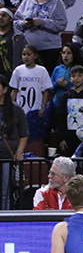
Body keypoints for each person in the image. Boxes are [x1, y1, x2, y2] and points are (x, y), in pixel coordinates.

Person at [13, 0, 68, 74]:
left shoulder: (56, 2)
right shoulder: (27, 1)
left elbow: (62, 24)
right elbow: (15, 21)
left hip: (49, 49)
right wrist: (24, 24)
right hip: (29, 48)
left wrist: (43, 22)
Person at [9, 45, 52, 148]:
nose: (26, 57)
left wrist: (42, 108)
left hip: (35, 109)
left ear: (35, 56)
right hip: (20, 108)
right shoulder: (18, 70)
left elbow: (45, 91)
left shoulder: (41, 70)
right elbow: (14, 90)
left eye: (29, 54)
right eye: (24, 54)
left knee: (34, 136)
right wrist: (9, 105)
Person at [0, 74, 27, 209]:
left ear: (5, 90)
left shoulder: (16, 109)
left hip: (7, 157)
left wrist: (19, 152)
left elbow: (24, 134)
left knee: (5, 191)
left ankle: (4, 216)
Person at [56, 65, 83, 156]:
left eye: (79, 75)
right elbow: (61, 117)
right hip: (69, 135)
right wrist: (61, 138)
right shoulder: (66, 95)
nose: (76, 78)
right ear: (70, 79)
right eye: (73, 76)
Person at [50, 44, 83, 111]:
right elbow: (50, 89)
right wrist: (57, 83)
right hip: (57, 105)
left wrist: (68, 85)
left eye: (69, 53)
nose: (65, 56)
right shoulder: (57, 69)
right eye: (63, 53)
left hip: (74, 106)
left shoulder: (80, 70)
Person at [0, 7, 22, 80]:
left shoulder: (18, 35)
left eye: (4, 15)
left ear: (10, 19)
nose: (0, 17)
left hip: (11, 72)